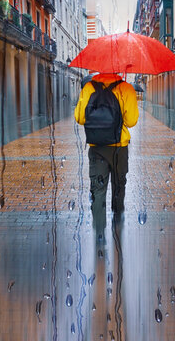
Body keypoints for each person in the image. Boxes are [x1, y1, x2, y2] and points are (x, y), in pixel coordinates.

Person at [74, 73, 139, 241]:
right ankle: (118, 229)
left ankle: (99, 234)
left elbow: (79, 118)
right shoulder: (126, 88)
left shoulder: (89, 88)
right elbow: (131, 121)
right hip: (119, 148)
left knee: (98, 190)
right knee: (119, 188)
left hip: (97, 148)